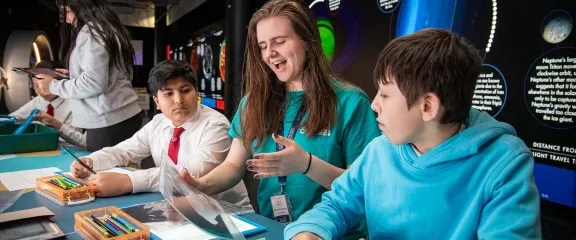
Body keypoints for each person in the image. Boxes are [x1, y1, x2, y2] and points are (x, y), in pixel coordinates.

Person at [284, 28, 542, 240]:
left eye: (385, 94)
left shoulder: (505, 165)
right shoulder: (379, 150)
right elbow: (337, 205)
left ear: (427, 106)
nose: (374, 105)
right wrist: (310, 231)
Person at [179, 0, 381, 238]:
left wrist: (306, 164)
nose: (269, 53)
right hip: (273, 230)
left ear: (307, 40)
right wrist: (202, 186)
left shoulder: (350, 102)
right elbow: (234, 166)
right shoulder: (253, 102)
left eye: (279, 41)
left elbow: (362, 188)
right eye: (262, 45)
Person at [69, 60, 251, 209]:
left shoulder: (216, 125)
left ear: (196, 93)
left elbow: (187, 174)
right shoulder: (158, 123)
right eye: (168, 93)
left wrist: (128, 181)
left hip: (226, 211)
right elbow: (124, 151)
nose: (178, 100)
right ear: (156, 101)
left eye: (185, 90)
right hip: (180, 208)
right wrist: (92, 161)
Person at [36, 0, 142, 152]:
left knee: (102, 173)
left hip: (108, 120)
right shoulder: (107, 29)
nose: (66, 19)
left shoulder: (91, 32)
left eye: (66, 12)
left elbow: (94, 83)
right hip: (118, 117)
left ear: (79, 6)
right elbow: (109, 74)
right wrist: (72, 75)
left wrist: (52, 86)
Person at [10, 60, 85, 148]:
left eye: (45, 85)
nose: (41, 92)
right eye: (36, 86)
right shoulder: (38, 101)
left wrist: (55, 124)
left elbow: (79, 142)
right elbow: (13, 118)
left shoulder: (74, 104)